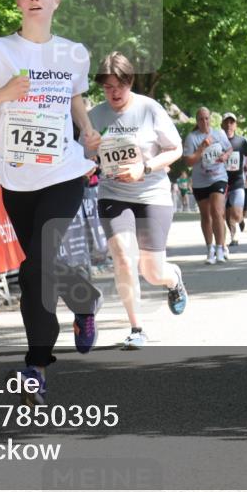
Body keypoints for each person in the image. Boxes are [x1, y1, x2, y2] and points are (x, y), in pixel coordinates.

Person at [0, 0, 103, 406]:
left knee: (36, 266)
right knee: (39, 265)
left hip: (65, 174)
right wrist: (3, 95)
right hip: (16, 180)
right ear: (18, 1)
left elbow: (73, 98)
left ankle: (35, 364)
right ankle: (86, 300)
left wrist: (87, 129)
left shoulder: (74, 54)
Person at [88, 52, 186, 350]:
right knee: (122, 256)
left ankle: (173, 279)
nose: (113, 93)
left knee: (152, 271)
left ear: (130, 82)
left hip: (151, 194)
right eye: (107, 87)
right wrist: (90, 155)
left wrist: (144, 167)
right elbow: (86, 158)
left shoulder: (150, 109)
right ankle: (136, 327)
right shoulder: (94, 116)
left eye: (119, 85)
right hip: (113, 194)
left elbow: (175, 149)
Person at [183, 107, 230, 265]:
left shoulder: (219, 134)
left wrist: (225, 155)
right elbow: (189, 161)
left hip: (218, 177)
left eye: (207, 118)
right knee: (205, 215)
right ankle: (210, 249)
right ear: (197, 121)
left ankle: (220, 248)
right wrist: (202, 147)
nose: (205, 121)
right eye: (201, 119)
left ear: (211, 119)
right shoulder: (192, 138)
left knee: (217, 211)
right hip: (200, 181)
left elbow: (229, 148)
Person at [220, 113, 247, 247]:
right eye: (226, 122)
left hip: (237, 181)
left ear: (235, 125)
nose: (229, 125)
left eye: (232, 122)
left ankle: (241, 219)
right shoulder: (217, 141)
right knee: (226, 214)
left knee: (236, 213)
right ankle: (234, 237)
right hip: (220, 180)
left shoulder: (241, 141)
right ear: (222, 124)